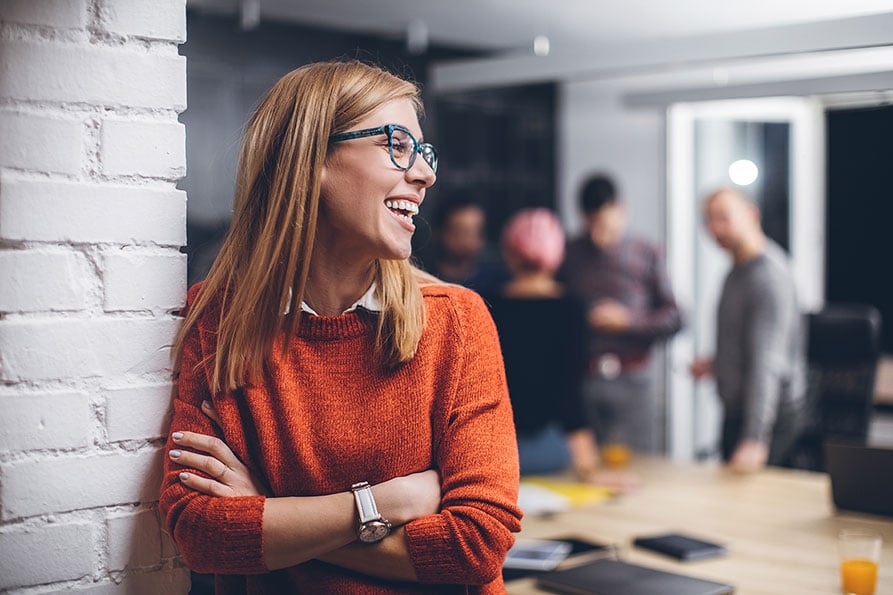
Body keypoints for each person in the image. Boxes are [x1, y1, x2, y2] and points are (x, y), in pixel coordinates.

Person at [158, 60, 522, 593]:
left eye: (423, 152)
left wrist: (271, 515)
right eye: (398, 144)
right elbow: (199, 533)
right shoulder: (218, 321)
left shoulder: (457, 322)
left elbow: (476, 545)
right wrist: (382, 505)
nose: (425, 173)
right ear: (311, 161)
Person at [485, 208, 638, 490]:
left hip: (491, 450)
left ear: (510, 251)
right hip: (548, 451)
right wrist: (589, 469)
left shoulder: (485, 304)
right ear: (557, 253)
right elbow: (571, 394)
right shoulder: (571, 309)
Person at [560, 174, 683, 454]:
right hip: (584, 378)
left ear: (621, 210)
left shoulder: (647, 252)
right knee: (584, 466)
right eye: (590, 225)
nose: (597, 235)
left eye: (604, 224)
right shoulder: (571, 253)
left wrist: (628, 321)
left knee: (640, 465)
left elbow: (675, 317)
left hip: (634, 378)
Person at [690, 187, 807, 473]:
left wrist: (755, 438)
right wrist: (720, 365)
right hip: (737, 411)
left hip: (768, 419)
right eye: (708, 221)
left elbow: (767, 363)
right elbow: (749, 345)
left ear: (752, 214)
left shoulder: (768, 278)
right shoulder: (735, 272)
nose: (715, 228)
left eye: (723, 217)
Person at [424, 196, 509, 293]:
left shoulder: (497, 284)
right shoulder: (425, 281)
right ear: (439, 233)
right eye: (460, 232)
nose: (468, 240)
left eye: (476, 232)